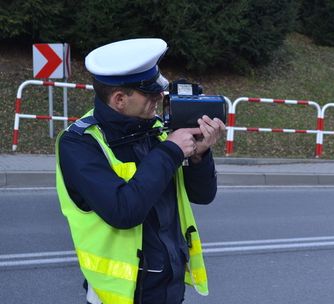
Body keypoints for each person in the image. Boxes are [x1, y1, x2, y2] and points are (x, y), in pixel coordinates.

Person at [55, 38, 226, 304]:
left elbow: (203, 195)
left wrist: (199, 155)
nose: (160, 97)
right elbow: (123, 211)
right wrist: (170, 151)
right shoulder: (80, 142)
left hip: (168, 288)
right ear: (120, 99)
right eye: (150, 93)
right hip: (120, 295)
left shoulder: (155, 130)